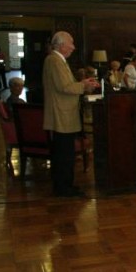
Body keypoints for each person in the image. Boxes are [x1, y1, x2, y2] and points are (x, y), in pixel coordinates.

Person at [42, 31, 99, 197]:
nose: (74, 47)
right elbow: (64, 87)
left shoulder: (58, 60)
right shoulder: (54, 60)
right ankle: (63, 188)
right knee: (64, 155)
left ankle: (66, 186)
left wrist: (82, 84)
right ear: (61, 45)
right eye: (71, 43)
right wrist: (83, 85)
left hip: (65, 114)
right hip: (62, 115)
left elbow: (66, 85)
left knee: (65, 153)